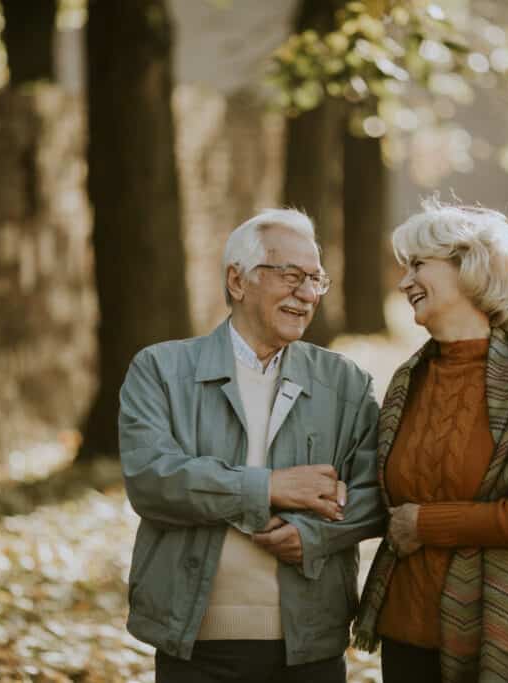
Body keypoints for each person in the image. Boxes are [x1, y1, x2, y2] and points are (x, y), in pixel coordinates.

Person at [119, 208, 385, 683]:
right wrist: (268, 488)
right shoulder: (160, 370)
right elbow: (151, 479)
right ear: (238, 282)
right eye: (291, 276)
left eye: (315, 280)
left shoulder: (345, 383)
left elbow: (378, 493)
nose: (306, 294)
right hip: (194, 646)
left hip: (310, 646)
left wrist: (313, 537)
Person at [353, 200, 508, 683]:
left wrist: (428, 524)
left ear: (470, 267)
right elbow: (387, 500)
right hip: (408, 636)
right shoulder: (406, 380)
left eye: (418, 265)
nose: (404, 281)